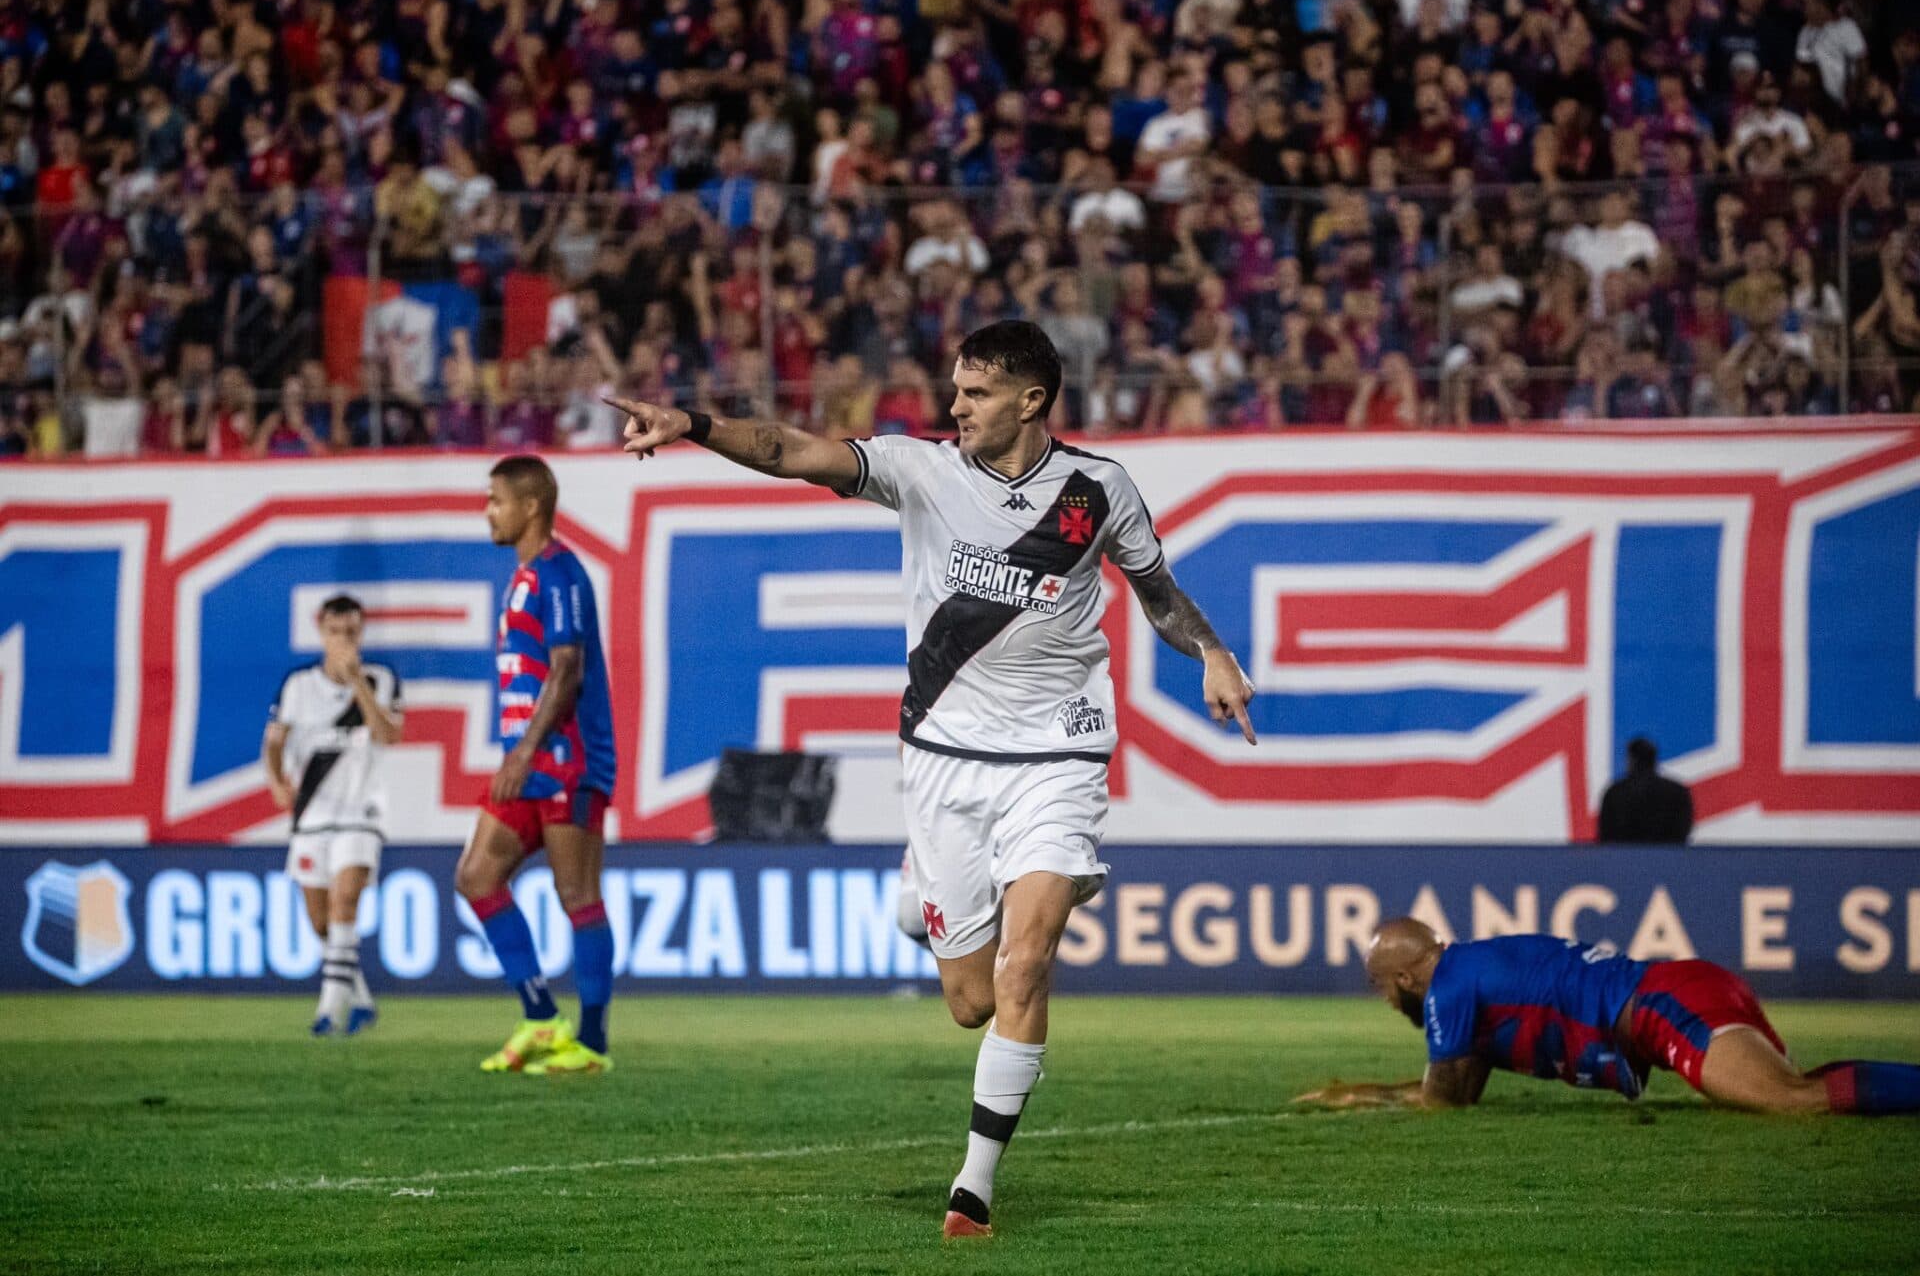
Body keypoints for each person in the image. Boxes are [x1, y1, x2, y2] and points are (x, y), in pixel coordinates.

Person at [606, 320, 1258, 1239]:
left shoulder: (1098, 489)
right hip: (945, 758)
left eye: (976, 393)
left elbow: (1158, 591)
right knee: (972, 1001)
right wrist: (692, 423)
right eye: (954, 390)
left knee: (1027, 962)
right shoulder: (921, 470)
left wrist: (1215, 654)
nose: (954, 407)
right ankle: (924, 895)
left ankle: (974, 1189)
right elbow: (790, 448)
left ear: (1032, 400)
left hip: (1059, 754)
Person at [1299, 918, 1920, 1115]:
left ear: (1406, 979)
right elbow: (1460, 1092)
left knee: (1792, 1100)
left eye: (1383, 987)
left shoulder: (1448, 988)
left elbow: (1438, 1103)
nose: (1385, 999)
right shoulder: (1473, 969)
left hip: (1663, 1009)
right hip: (1685, 988)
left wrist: (1361, 1094)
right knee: (1795, 1090)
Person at [454, 456, 619, 1076]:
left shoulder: (562, 572)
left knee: (576, 892)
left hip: (569, 759)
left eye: (495, 499)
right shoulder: (523, 576)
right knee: (476, 877)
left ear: (530, 507)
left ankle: (594, 1045)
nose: (488, 510)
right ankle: (542, 1018)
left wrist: (523, 750)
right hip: (529, 759)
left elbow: (567, 669)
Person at [261, 594, 404, 1036]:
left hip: (361, 813)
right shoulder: (298, 686)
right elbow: (273, 741)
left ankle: (327, 1013)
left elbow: (388, 735)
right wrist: (277, 781)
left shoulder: (380, 679)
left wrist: (357, 683)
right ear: (321, 632)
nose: (344, 640)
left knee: (346, 903)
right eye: (335, 632)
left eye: (351, 632)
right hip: (312, 814)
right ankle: (360, 1000)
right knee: (322, 922)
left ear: (361, 633)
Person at [1597, 736, 1693, 843]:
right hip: (1667, 858)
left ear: (1631, 760)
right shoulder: (1678, 792)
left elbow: (1606, 837)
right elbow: (1682, 833)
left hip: (1624, 858)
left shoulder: (1615, 793)